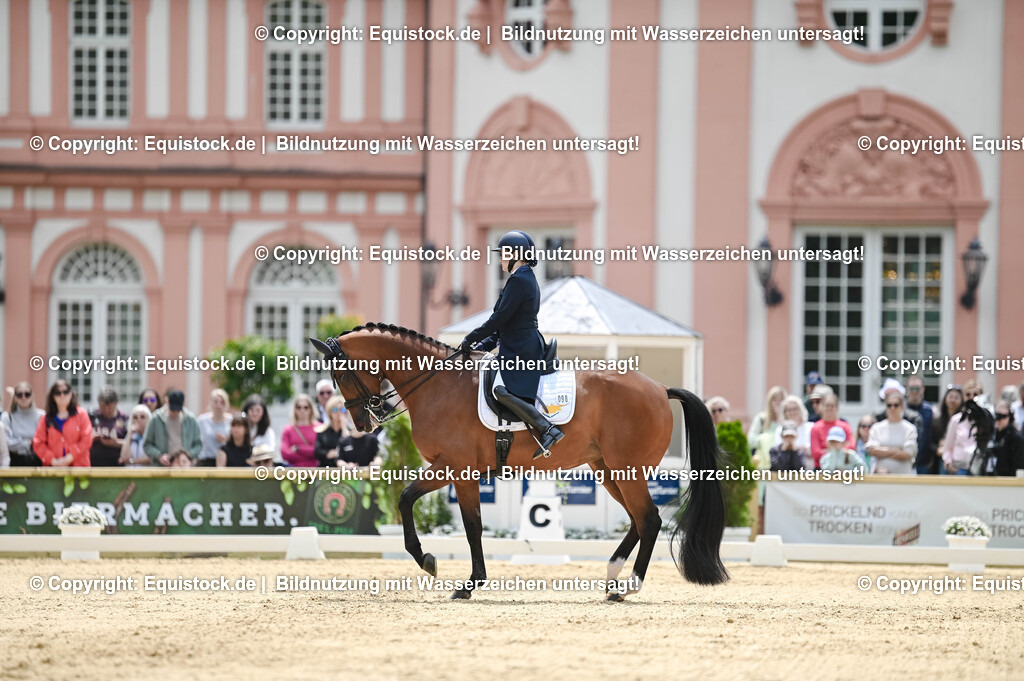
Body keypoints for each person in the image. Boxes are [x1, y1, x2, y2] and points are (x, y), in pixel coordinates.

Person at [458, 230, 562, 459]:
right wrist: (481, 347)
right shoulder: (522, 278)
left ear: (516, 254)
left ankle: (547, 429)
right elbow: (502, 325)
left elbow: (499, 318)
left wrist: (471, 337)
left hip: (522, 348)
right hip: (516, 343)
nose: (500, 259)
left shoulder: (520, 279)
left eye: (503, 254)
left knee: (500, 390)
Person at [32, 380, 93, 467]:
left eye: (65, 392)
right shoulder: (46, 418)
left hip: (79, 469)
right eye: (58, 393)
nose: (62, 396)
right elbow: (38, 443)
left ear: (71, 394)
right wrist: (52, 460)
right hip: (53, 470)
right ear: (53, 396)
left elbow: (87, 439)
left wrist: (70, 457)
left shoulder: (81, 414)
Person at [143, 389, 202, 467]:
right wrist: (159, 456)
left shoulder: (190, 419)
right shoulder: (156, 418)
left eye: (178, 409)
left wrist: (188, 456)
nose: (175, 412)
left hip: (185, 468)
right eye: (173, 409)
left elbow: (198, 444)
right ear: (167, 402)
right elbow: (147, 445)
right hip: (161, 467)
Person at [866, 392, 917, 475]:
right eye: (889, 405)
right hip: (880, 478)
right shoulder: (877, 428)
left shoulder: (910, 429)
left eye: (896, 405)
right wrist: (897, 450)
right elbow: (872, 450)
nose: (892, 408)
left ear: (902, 407)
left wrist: (882, 453)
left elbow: (908, 454)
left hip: (904, 479)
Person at [2, 382, 45, 466]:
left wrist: (17, 443)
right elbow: (6, 443)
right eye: (19, 394)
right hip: (13, 462)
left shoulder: (41, 416)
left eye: (27, 394)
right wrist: (28, 443)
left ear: (32, 396)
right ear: (14, 397)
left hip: (36, 462)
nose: (23, 397)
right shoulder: (7, 417)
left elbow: (42, 441)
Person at [809, 390, 852, 469]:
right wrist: (838, 450)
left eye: (832, 406)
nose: (829, 408)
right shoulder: (815, 427)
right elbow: (815, 453)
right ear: (821, 407)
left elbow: (851, 447)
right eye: (826, 405)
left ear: (837, 408)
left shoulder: (845, 426)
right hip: (821, 469)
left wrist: (828, 450)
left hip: (842, 469)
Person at [88, 387, 128, 467]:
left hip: (116, 466)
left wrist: (115, 443)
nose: (106, 410)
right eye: (102, 407)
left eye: (110, 407)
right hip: (93, 465)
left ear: (116, 402)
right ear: (98, 401)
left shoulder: (125, 419)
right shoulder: (91, 416)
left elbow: (132, 444)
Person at [904, 375, 935, 474]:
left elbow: (932, 436)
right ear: (907, 389)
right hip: (904, 460)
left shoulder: (930, 410)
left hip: (924, 462)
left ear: (923, 389)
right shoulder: (899, 409)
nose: (914, 391)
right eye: (912, 388)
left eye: (917, 388)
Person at [281, 393, 320, 467]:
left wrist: (298, 448)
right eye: (299, 407)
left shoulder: (319, 427)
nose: (302, 410)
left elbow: (319, 452)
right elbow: (285, 454)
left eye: (306, 407)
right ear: (295, 409)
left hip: (316, 472)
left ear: (311, 409)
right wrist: (310, 454)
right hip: (293, 472)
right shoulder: (288, 429)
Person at [197, 389, 233, 467]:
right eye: (216, 402)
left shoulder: (231, 421)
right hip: (206, 460)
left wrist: (227, 439)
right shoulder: (202, 421)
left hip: (226, 460)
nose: (218, 405)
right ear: (211, 403)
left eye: (222, 402)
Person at [988, 401, 1024, 476]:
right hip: (990, 478)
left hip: (1007, 481)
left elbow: (1018, 465)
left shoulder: (1015, 437)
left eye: (1003, 416)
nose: (999, 420)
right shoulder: (990, 434)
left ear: (1010, 417)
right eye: (997, 415)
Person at [747, 386, 786, 454]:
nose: (778, 403)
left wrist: (781, 418)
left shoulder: (788, 420)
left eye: (781, 400)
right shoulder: (761, 419)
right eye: (774, 400)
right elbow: (750, 441)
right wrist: (767, 439)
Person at [241, 394, 278, 463]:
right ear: (246, 411)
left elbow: (270, 452)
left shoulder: (268, 432)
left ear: (263, 412)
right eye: (252, 410)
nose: (255, 413)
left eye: (258, 410)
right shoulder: (241, 429)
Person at [314, 396, 349, 467]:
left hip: (345, 470)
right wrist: (328, 453)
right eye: (335, 410)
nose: (339, 413)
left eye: (342, 410)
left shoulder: (351, 431)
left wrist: (344, 428)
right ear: (330, 412)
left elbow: (350, 447)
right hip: (325, 469)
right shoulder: (322, 431)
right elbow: (317, 452)